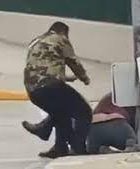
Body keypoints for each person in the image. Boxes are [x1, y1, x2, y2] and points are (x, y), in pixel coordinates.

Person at [23, 21, 92, 158]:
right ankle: (78, 147)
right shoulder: (60, 39)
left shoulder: (36, 41)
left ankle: (58, 147)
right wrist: (84, 78)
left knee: (61, 113)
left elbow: (41, 68)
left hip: (33, 89)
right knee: (84, 112)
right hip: (51, 87)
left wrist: (65, 78)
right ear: (64, 32)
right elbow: (73, 62)